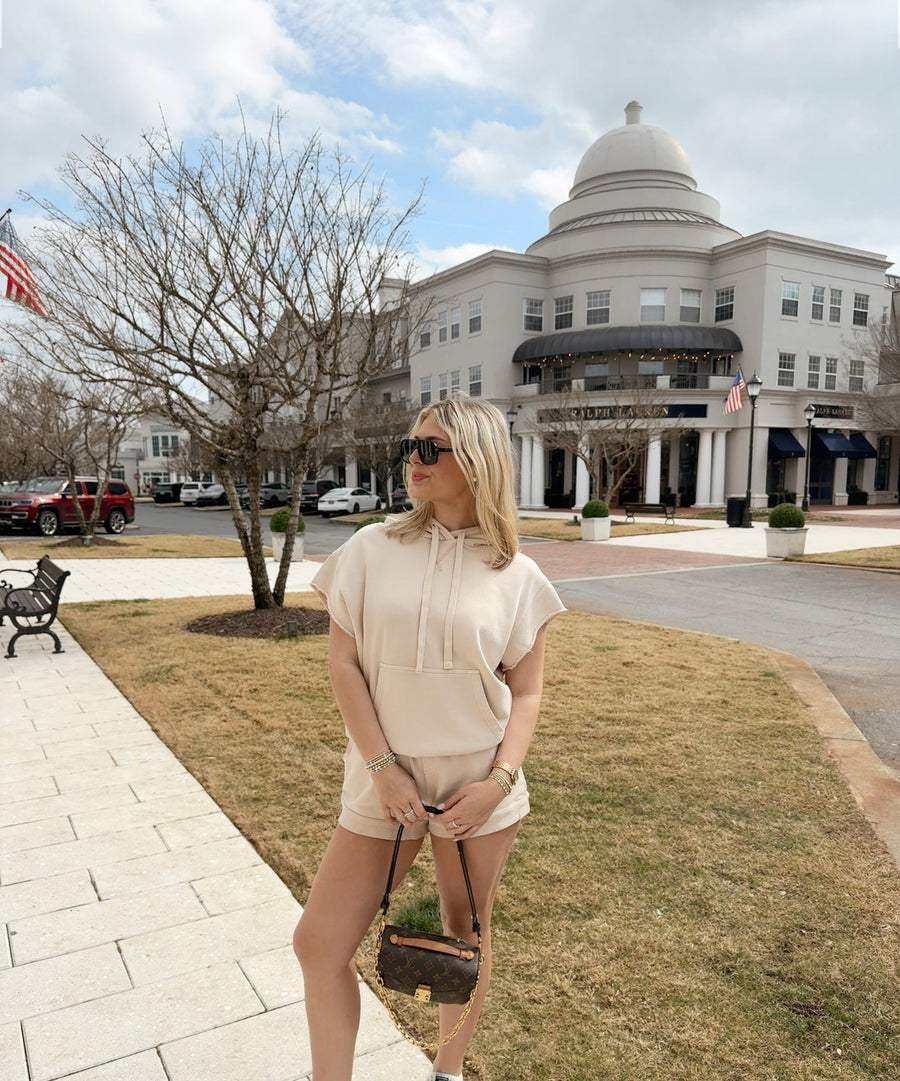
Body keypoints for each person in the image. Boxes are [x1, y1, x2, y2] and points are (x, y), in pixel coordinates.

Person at [293, 396, 564, 1081]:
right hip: (382, 776)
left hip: (479, 784)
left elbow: (526, 692)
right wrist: (384, 767)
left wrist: (497, 782)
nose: (412, 460)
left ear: (475, 460)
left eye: (430, 448)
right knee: (318, 944)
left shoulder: (516, 573)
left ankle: (448, 1074)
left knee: (463, 933)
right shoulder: (370, 548)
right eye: (411, 446)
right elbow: (344, 663)